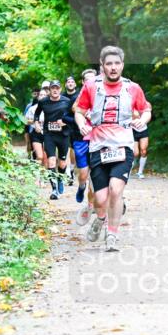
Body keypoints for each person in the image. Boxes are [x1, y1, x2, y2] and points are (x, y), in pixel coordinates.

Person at [74, 46, 151, 252]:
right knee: (100, 199)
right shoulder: (91, 86)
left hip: (123, 146)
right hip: (98, 146)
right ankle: (100, 219)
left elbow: (146, 109)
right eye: (109, 64)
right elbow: (80, 111)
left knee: (116, 191)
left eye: (117, 63)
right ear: (102, 66)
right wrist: (81, 122)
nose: (113, 67)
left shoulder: (132, 88)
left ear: (122, 65)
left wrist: (142, 121)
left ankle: (112, 235)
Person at [33, 80, 74, 199]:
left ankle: (60, 179)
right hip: (49, 135)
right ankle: (54, 190)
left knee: (62, 163)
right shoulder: (43, 101)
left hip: (63, 135)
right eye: (53, 88)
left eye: (57, 88)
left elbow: (73, 116)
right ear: (49, 90)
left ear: (60, 89)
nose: (55, 90)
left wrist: (65, 122)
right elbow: (37, 113)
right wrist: (36, 123)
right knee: (51, 161)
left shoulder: (67, 101)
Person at [70, 69, 98, 224]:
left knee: (96, 175)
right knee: (83, 175)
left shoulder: (102, 91)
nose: (90, 81)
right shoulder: (81, 94)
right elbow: (74, 108)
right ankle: (81, 187)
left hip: (98, 138)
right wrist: (85, 113)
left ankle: (90, 205)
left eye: (92, 79)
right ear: (83, 82)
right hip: (81, 139)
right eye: (87, 79)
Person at [63, 75, 79, 187]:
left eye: (72, 82)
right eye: (68, 82)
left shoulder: (79, 96)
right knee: (66, 150)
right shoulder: (61, 97)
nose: (70, 83)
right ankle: (68, 172)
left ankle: (71, 169)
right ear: (65, 84)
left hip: (75, 127)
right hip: (63, 127)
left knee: (74, 153)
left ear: (75, 84)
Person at [23, 89, 39, 158]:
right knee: (30, 144)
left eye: (38, 94)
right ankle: (30, 156)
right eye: (35, 94)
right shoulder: (29, 106)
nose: (36, 95)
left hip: (40, 128)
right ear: (32, 94)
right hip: (30, 128)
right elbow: (25, 118)